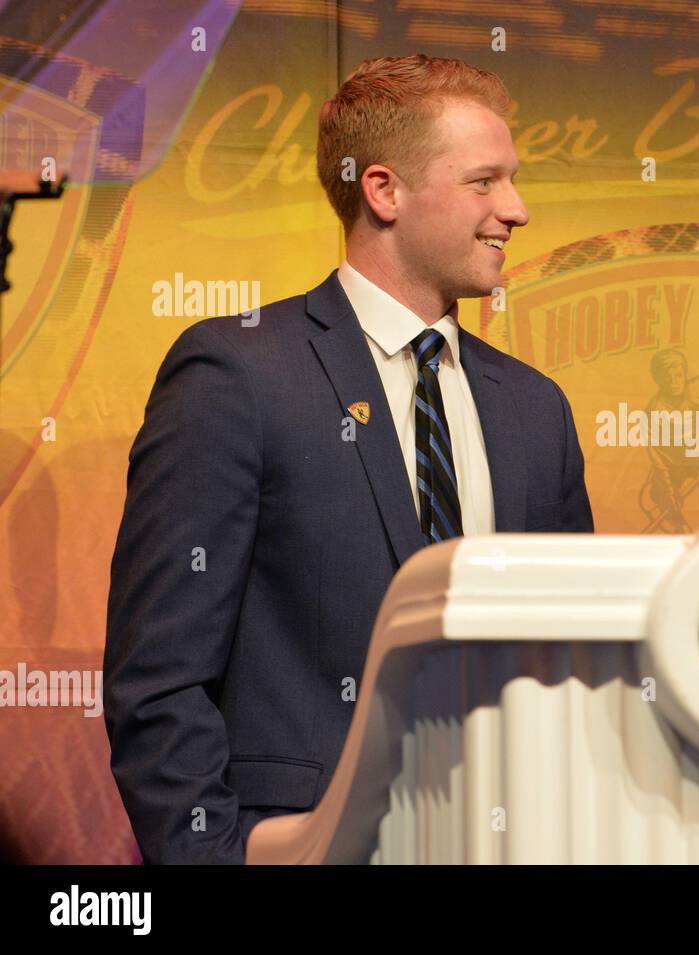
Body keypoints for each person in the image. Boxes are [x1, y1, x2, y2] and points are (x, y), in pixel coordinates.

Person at [103, 55, 593, 864]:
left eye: (514, 180)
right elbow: (156, 681)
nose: (518, 208)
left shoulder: (537, 410)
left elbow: (579, 668)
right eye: (485, 182)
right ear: (383, 190)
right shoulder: (240, 374)